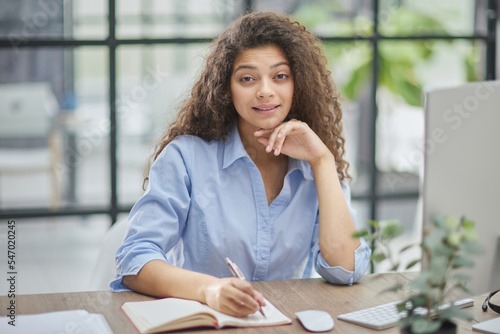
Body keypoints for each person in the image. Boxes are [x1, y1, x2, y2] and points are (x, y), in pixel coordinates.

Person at [110, 11, 371, 317]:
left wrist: (323, 161)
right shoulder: (186, 158)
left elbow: (345, 270)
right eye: (247, 78)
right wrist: (209, 290)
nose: (265, 90)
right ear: (226, 87)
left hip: (285, 323)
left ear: (297, 84)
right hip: (208, 322)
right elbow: (134, 259)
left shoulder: (316, 164)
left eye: (280, 76)